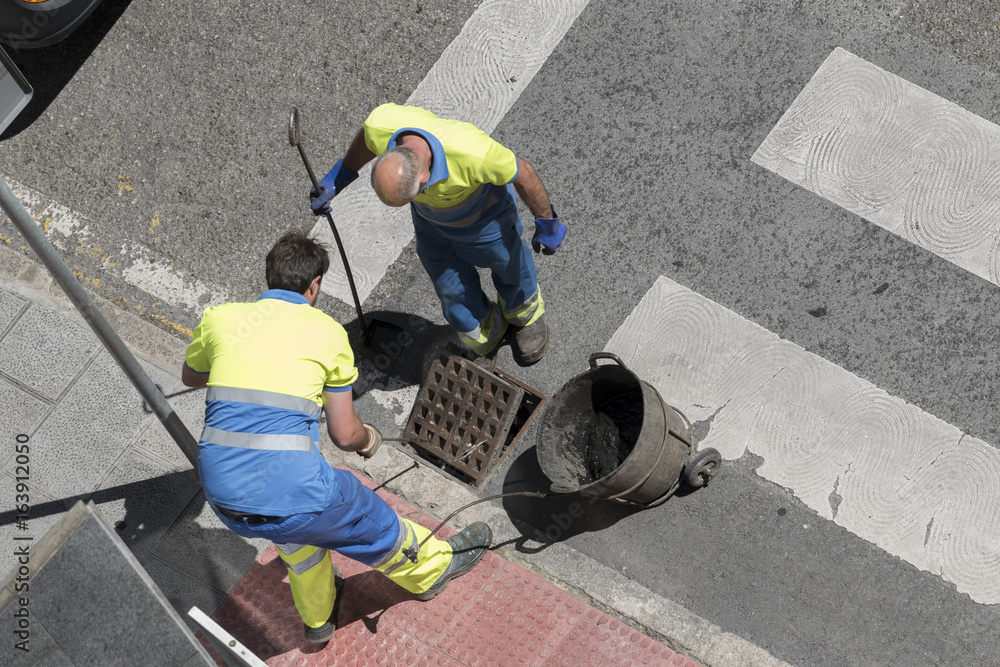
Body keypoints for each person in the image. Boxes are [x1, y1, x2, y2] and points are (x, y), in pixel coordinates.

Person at [181, 229, 492, 644]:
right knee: (374, 523)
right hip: (296, 492)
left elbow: (192, 375)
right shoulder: (327, 333)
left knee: (295, 539)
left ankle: (318, 618)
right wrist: (369, 441)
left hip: (225, 500)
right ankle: (432, 569)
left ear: (270, 277)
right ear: (315, 285)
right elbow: (344, 434)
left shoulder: (220, 318)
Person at [309, 103, 567, 365]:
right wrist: (339, 176)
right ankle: (488, 336)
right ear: (385, 155)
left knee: (510, 267)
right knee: (451, 290)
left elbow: (523, 173)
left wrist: (547, 220)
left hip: (485, 220)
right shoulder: (380, 126)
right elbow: (366, 140)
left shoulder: (473, 151)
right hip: (430, 225)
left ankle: (525, 316)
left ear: (424, 178)